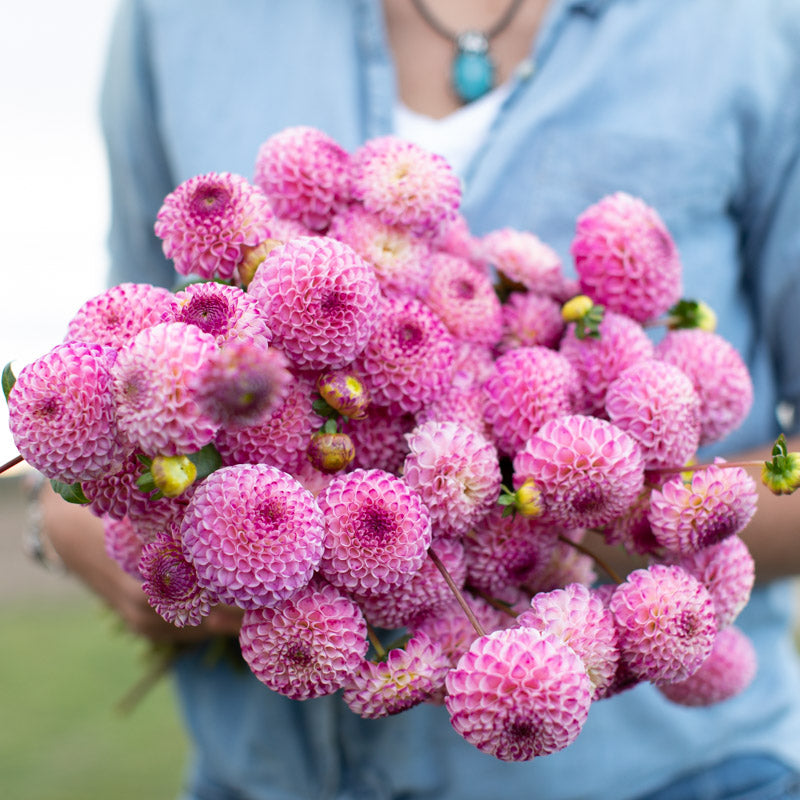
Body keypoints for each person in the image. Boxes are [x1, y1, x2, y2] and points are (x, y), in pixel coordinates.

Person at [38, 0, 800, 798]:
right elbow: (126, 348)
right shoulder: (180, 18)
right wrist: (65, 517)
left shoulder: (746, 28)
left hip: (675, 777)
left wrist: (598, 523)